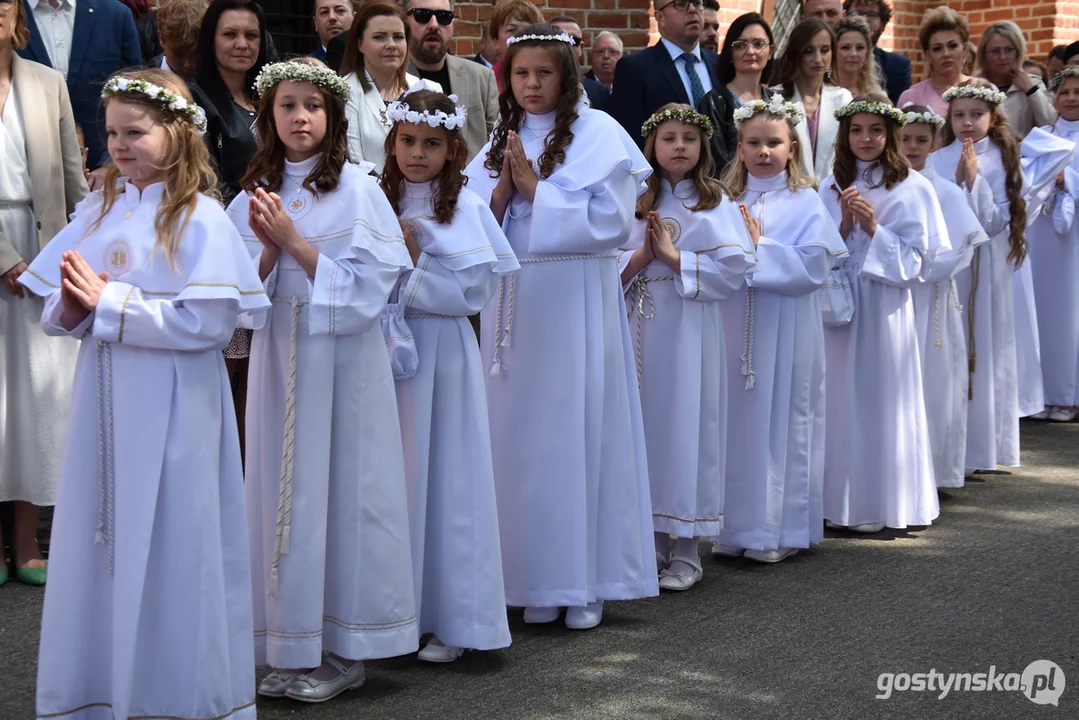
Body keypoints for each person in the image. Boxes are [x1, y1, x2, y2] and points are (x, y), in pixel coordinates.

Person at [23, 68, 269, 720]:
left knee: (172, 546)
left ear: (178, 131)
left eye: (136, 131)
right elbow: (56, 303)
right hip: (102, 408)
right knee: (98, 540)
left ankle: (171, 697)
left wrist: (113, 303)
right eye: (111, 133)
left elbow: (209, 324)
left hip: (176, 409)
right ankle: (97, 694)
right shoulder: (99, 209)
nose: (120, 145)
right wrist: (78, 309)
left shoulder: (200, 218)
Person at [233, 59, 418, 702]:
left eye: (313, 105)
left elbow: (374, 290)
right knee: (284, 496)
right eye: (288, 105)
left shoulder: (359, 190)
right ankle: (289, 643)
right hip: (279, 358)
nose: (300, 117)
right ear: (269, 115)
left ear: (334, 116)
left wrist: (296, 243)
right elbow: (232, 294)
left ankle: (344, 648)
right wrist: (263, 250)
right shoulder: (252, 189)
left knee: (339, 490)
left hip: (341, 366)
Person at [465, 24, 658, 630]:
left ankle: (583, 581)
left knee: (576, 432)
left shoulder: (602, 134)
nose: (531, 85)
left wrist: (537, 191)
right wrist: (501, 192)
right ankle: (528, 577)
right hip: (512, 305)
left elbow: (610, 223)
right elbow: (471, 214)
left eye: (543, 73)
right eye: (520, 74)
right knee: (518, 439)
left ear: (566, 75)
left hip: (574, 299)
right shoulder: (502, 134)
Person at [380, 89, 517, 663]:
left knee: (447, 476)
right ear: (391, 142)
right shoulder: (370, 196)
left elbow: (471, 293)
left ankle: (453, 618)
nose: (417, 153)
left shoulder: (467, 209)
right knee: (394, 478)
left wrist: (413, 265)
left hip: (443, 351)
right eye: (407, 141)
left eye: (430, 143)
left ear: (452, 148)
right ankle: (393, 611)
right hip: (380, 352)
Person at [620, 104, 757, 589]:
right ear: (651, 147)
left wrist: (677, 260)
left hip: (689, 327)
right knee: (646, 427)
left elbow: (737, 269)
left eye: (689, 139)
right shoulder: (634, 197)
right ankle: (653, 539)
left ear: (703, 148)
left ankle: (687, 549)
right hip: (640, 320)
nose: (679, 146)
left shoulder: (713, 202)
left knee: (686, 425)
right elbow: (607, 263)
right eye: (668, 138)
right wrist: (642, 257)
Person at [713, 95, 846, 562]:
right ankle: (733, 527)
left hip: (786, 326)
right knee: (736, 420)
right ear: (740, 148)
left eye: (774, 142)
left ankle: (779, 530)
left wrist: (758, 247)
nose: (763, 151)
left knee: (783, 419)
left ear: (793, 147)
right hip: (734, 324)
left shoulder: (805, 201)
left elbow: (813, 269)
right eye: (754, 143)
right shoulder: (723, 199)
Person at [932, 79, 1072, 470]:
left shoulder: (1007, 159)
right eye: (959, 115)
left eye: (976, 115)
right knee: (955, 349)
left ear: (993, 117)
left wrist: (974, 180)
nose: (966, 123)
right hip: (954, 269)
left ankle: (986, 447)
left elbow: (995, 222)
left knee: (988, 349)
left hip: (991, 268)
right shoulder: (938, 159)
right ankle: (950, 447)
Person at [818, 95, 944, 532]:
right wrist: (843, 229)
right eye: (856, 130)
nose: (866, 139)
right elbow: (817, 247)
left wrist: (875, 229)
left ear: (889, 134)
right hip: (840, 302)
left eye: (875, 130)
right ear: (844, 136)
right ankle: (838, 501)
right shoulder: (830, 183)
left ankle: (882, 502)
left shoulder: (911, 186)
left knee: (881, 396)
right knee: (837, 397)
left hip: (884, 302)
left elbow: (922, 261)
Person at [0, 0, 87, 588]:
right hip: (8, 254)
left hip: (45, 254)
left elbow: (74, 176)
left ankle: (28, 544)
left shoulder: (47, 80)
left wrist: (78, 251)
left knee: (39, 403)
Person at [898, 105, 988, 488]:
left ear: (935, 141)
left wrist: (920, 268)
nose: (913, 147)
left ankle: (935, 469)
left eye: (921, 139)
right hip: (895, 298)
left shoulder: (947, 192)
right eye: (905, 139)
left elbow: (961, 251)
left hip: (932, 298)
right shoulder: (889, 186)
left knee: (934, 381)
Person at [18, 0, 142, 179]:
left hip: (102, 177)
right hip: (24, 175)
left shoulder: (114, 14)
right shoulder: (9, 18)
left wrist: (110, 164)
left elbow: (134, 100)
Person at [1030, 67, 1079, 422]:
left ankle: (1069, 395)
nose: (1072, 98)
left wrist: (1068, 177)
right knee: (1044, 312)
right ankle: (1042, 393)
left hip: (1074, 240)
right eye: (1065, 92)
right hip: (1044, 234)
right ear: (1054, 97)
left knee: (1071, 315)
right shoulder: (1042, 137)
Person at [610, 0, 721, 147]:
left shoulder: (720, 64)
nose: (693, 9)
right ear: (660, 17)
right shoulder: (635, 69)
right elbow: (629, 139)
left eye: (697, 2)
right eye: (681, 4)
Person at [341, 1, 435, 173]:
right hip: (371, 195)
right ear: (360, 43)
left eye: (398, 37)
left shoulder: (429, 89)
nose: (391, 44)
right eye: (379, 37)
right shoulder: (345, 93)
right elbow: (354, 166)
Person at [404, 0, 500, 162]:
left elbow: (498, 143)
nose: (434, 25)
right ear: (404, 22)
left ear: (453, 26)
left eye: (443, 17)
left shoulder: (481, 77)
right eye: (422, 15)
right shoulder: (390, 77)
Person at [696, 12, 776, 176]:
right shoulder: (714, 102)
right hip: (730, 195)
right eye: (740, 45)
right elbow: (715, 164)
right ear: (730, 54)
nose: (750, 51)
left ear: (770, 51)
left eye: (758, 43)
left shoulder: (777, 101)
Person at [775, 19, 851, 181]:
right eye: (809, 51)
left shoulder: (843, 98)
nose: (818, 59)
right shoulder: (776, 98)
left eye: (825, 50)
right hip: (791, 192)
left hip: (832, 193)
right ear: (797, 53)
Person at [976, 21, 1056, 140]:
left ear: (1018, 51)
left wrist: (1031, 91)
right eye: (995, 51)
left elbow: (1050, 125)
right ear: (984, 54)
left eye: (1009, 50)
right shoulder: (974, 85)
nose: (1002, 57)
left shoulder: (1033, 83)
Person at [897, 6, 970, 117]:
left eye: (953, 46)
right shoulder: (912, 97)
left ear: (964, 49)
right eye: (937, 48)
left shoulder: (984, 90)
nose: (946, 54)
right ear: (928, 55)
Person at [844, 0, 910, 103]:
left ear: (883, 24)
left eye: (872, 14)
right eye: (858, 13)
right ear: (845, 17)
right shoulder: (829, 59)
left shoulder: (898, 66)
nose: (864, 19)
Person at [550, 15, 610, 111]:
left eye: (573, 40)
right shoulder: (534, 87)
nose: (567, 45)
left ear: (581, 48)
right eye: (559, 39)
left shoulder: (598, 91)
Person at [487, 0, 543, 92]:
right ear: (496, 41)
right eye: (511, 30)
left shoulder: (551, 75)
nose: (520, 35)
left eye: (527, 29)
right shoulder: (486, 84)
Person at [152, 0, 207, 80]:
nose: (188, 65)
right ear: (161, 38)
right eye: (179, 54)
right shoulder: (138, 84)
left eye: (196, 54)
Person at [832, 16, 882, 99]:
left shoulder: (876, 95)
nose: (853, 54)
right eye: (845, 47)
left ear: (867, 52)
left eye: (859, 48)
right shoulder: (821, 92)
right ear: (834, 51)